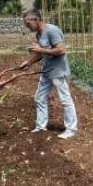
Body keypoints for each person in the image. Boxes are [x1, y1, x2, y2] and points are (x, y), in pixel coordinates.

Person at [19, 8, 77, 139]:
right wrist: (28, 62)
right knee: (39, 98)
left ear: (36, 19)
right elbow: (41, 54)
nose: (27, 27)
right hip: (46, 72)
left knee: (65, 100)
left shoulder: (52, 30)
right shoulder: (39, 34)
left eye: (28, 23)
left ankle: (71, 129)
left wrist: (40, 49)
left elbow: (61, 50)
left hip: (57, 72)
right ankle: (41, 126)